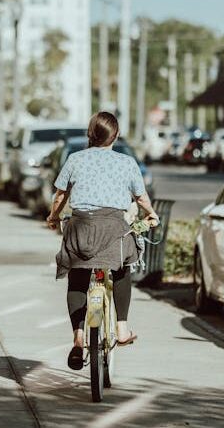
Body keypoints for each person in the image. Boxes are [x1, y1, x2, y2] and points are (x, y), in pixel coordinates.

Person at [46, 111, 159, 370]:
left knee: (77, 277)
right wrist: (151, 214)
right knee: (122, 268)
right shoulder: (127, 162)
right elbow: (140, 199)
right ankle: (122, 328)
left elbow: (60, 195)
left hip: (81, 230)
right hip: (113, 230)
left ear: (90, 134)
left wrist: (53, 217)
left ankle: (78, 337)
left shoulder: (75, 159)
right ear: (115, 136)